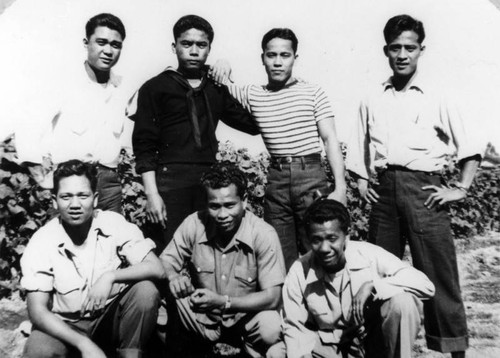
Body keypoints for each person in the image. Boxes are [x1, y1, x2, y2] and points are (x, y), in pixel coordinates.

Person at [346, 14, 482, 357]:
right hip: (385, 193)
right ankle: (379, 349)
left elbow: (470, 149)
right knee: (375, 274)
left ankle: (455, 352)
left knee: (440, 277)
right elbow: (358, 146)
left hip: (426, 192)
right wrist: (362, 182)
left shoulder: (438, 96)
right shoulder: (371, 97)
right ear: (386, 51)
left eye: (410, 48)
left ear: (421, 50)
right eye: (395, 48)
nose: (402, 55)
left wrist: (460, 188)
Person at [213, 28, 347, 270]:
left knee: (318, 248)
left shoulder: (312, 92)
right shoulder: (253, 94)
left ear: (295, 57)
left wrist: (340, 188)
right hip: (277, 180)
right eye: (271, 55)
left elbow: (330, 139)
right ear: (262, 57)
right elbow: (221, 82)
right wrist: (223, 63)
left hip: (311, 177)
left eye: (284, 55)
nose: (277, 62)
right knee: (278, 255)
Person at [129, 15, 259, 252]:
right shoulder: (155, 87)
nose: (193, 51)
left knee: (207, 249)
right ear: (174, 46)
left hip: (208, 180)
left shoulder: (215, 88)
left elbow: (252, 124)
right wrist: (152, 194)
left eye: (201, 45)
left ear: (209, 49)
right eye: (186, 44)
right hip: (170, 180)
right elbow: (144, 144)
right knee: (169, 250)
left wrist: (228, 78)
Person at [21, 160, 165, 358]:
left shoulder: (112, 223)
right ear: (55, 201)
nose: (75, 205)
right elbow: (37, 311)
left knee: (145, 291)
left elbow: (156, 268)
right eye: (66, 197)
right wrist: (83, 344)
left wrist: (110, 276)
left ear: (95, 199)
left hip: (108, 319)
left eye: (83, 196)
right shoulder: (42, 240)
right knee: (39, 351)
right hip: (65, 326)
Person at [279, 199, 435, 358]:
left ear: (347, 235)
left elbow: (425, 285)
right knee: (277, 352)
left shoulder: (368, 255)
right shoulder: (300, 270)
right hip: (331, 347)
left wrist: (373, 285)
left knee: (403, 303)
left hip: (373, 344)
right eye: (316, 240)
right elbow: (293, 325)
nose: (325, 248)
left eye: (332, 238)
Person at [160, 163, 285, 357]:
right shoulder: (194, 223)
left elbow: (273, 297)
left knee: (272, 327)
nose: (222, 215)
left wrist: (224, 302)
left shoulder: (263, 234)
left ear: (244, 201)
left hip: (246, 320)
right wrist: (173, 276)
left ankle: (247, 350)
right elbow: (165, 260)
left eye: (229, 205)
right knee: (158, 300)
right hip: (203, 318)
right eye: (214, 206)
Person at [15, 13, 133, 213]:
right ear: (86, 43)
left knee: (112, 239)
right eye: (101, 42)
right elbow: (28, 125)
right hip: (71, 183)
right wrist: (41, 176)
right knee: (66, 243)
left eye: (115, 45)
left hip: (108, 186)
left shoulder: (121, 88)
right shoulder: (63, 83)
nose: (108, 51)